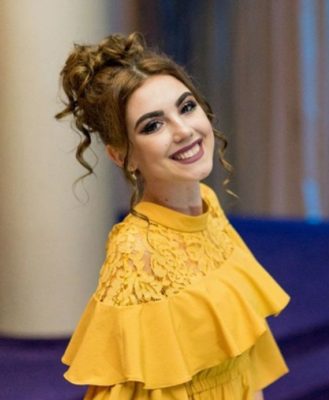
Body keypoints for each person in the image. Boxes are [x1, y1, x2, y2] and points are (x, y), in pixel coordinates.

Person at [55, 32, 290, 400]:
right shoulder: (136, 254)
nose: (184, 130)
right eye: (153, 125)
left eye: (186, 107)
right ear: (122, 156)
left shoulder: (209, 206)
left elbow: (243, 361)